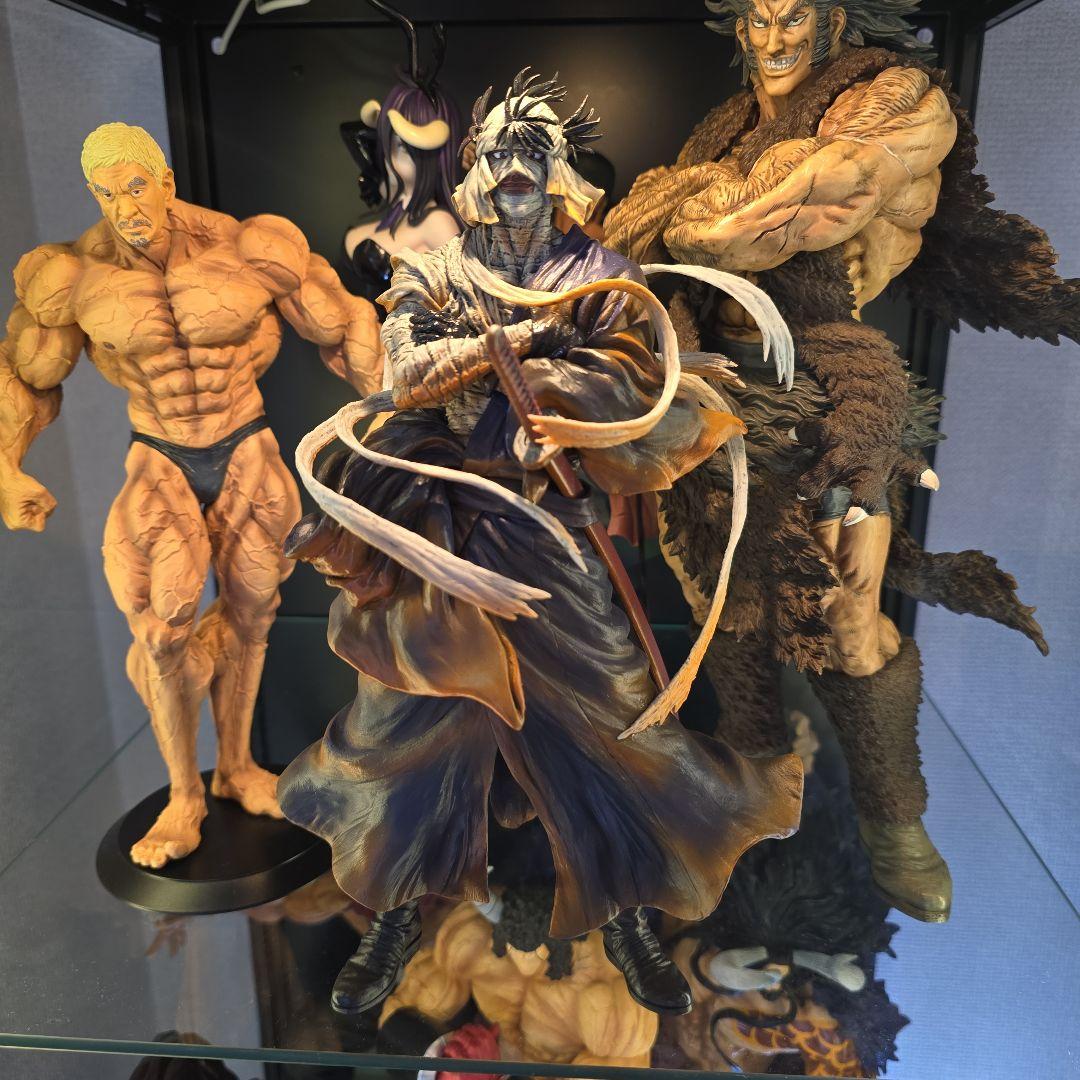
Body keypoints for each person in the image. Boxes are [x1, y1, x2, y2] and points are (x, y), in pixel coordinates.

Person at [279, 69, 803, 1019]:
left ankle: (632, 907)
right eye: (502, 154)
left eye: (534, 153)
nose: (517, 171)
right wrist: (499, 355)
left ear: (560, 169)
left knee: (616, 707)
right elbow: (404, 369)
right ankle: (394, 910)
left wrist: (560, 403)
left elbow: (632, 373)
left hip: (551, 523)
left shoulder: (598, 273)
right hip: (440, 520)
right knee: (405, 709)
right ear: (477, 168)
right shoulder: (439, 267)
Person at [605, 0, 1077, 922]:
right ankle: (751, 788)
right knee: (724, 609)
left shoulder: (892, 99)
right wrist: (685, 202)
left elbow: (763, 219)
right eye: (757, 20)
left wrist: (688, 206)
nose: (774, 39)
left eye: (793, 18)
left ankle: (895, 818)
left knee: (851, 618)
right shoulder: (720, 131)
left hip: (831, 398)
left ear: (833, 18)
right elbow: (629, 245)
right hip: (713, 398)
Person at [0, 123, 382, 868]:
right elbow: (26, 371)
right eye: (107, 194)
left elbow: (344, 324)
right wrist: (9, 465)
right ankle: (184, 796)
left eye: (135, 187)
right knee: (163, 627)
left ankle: (235, 768)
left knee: (254, 610)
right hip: (160, 456)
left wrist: (397, 425)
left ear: (166, 181)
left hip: (245, 443)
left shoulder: (249, 248)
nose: (125, 207)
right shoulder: (73, 277)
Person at [337, 1, 462, 307]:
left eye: (404, 146)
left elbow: (458, 310)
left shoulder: (439, 224)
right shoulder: (390, 207)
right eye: (389, 142)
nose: (391, 154)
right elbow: (351, 132)